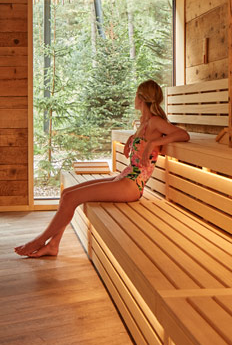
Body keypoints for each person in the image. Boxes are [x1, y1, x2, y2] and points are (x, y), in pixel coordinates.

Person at [15, 79, 190, 258]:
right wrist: (133, 139)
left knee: (71, 198)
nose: (134, 98)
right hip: (126, 177)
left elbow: (183, 134)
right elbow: (144, 142)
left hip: (133, 185)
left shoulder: (155, 122)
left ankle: (39, 241)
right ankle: (53, 245)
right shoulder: (143, 123)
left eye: (135, 94)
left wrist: (153, 143)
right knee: (67, 194)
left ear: (140, 98)